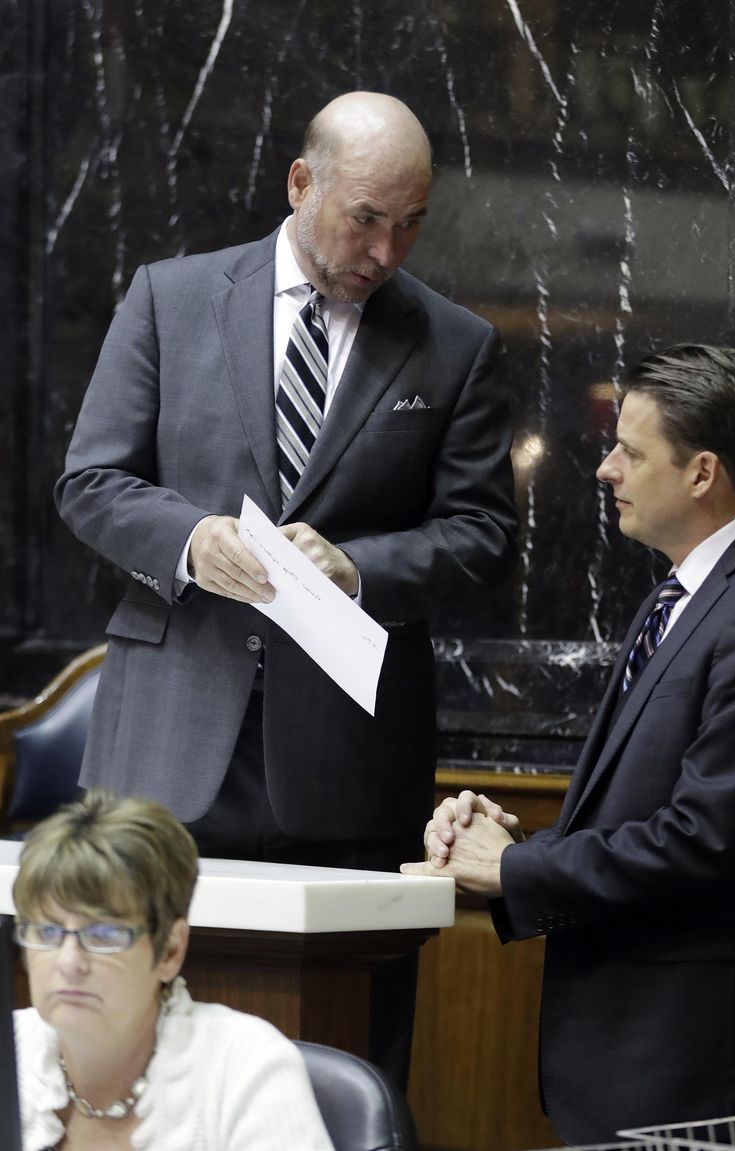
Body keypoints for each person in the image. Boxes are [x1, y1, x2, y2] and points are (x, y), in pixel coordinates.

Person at [54, 91, 518, 1080]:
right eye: (364, 217)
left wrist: (359, 566)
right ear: (300, 183)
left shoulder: (454, 344)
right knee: (133, 1048)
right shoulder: (170, 298)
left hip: (348, 766)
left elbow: (481, 534)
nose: (385, 249)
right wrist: (189, 539)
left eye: (410, 224)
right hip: (169, 749)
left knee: (341, 1061)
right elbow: (91, 481)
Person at [403, 344, 735, 1143]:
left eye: (631, 450)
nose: (606, 468)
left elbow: (702, 838)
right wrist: (510, 841)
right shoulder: (681, 594)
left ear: (702, 473)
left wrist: (511, 869)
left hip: (714, 1070)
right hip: (646, 1061)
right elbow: (646, 806)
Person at [12, 788, 335, 1151]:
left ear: (170, 950)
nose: (69, 962)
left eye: (104, 933)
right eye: (48, 931)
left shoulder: (245, 1068)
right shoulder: (12, 1052)